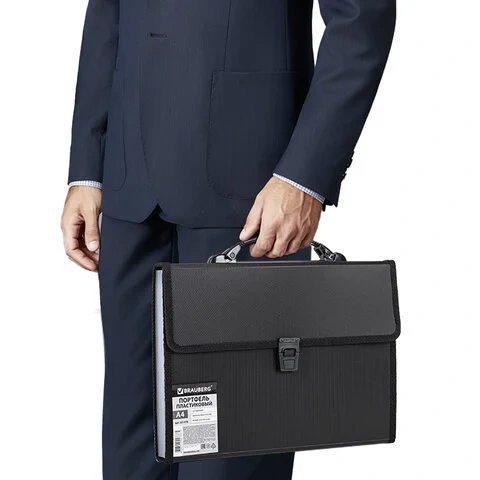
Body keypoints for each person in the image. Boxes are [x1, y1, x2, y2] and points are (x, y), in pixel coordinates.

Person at [61, 1, 395, 478]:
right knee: (132, 440)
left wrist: (305, 177)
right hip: (128, 186)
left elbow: (362, 19)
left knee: (235, 446)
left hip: (253, 198)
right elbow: (107, 13)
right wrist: (87, 169)